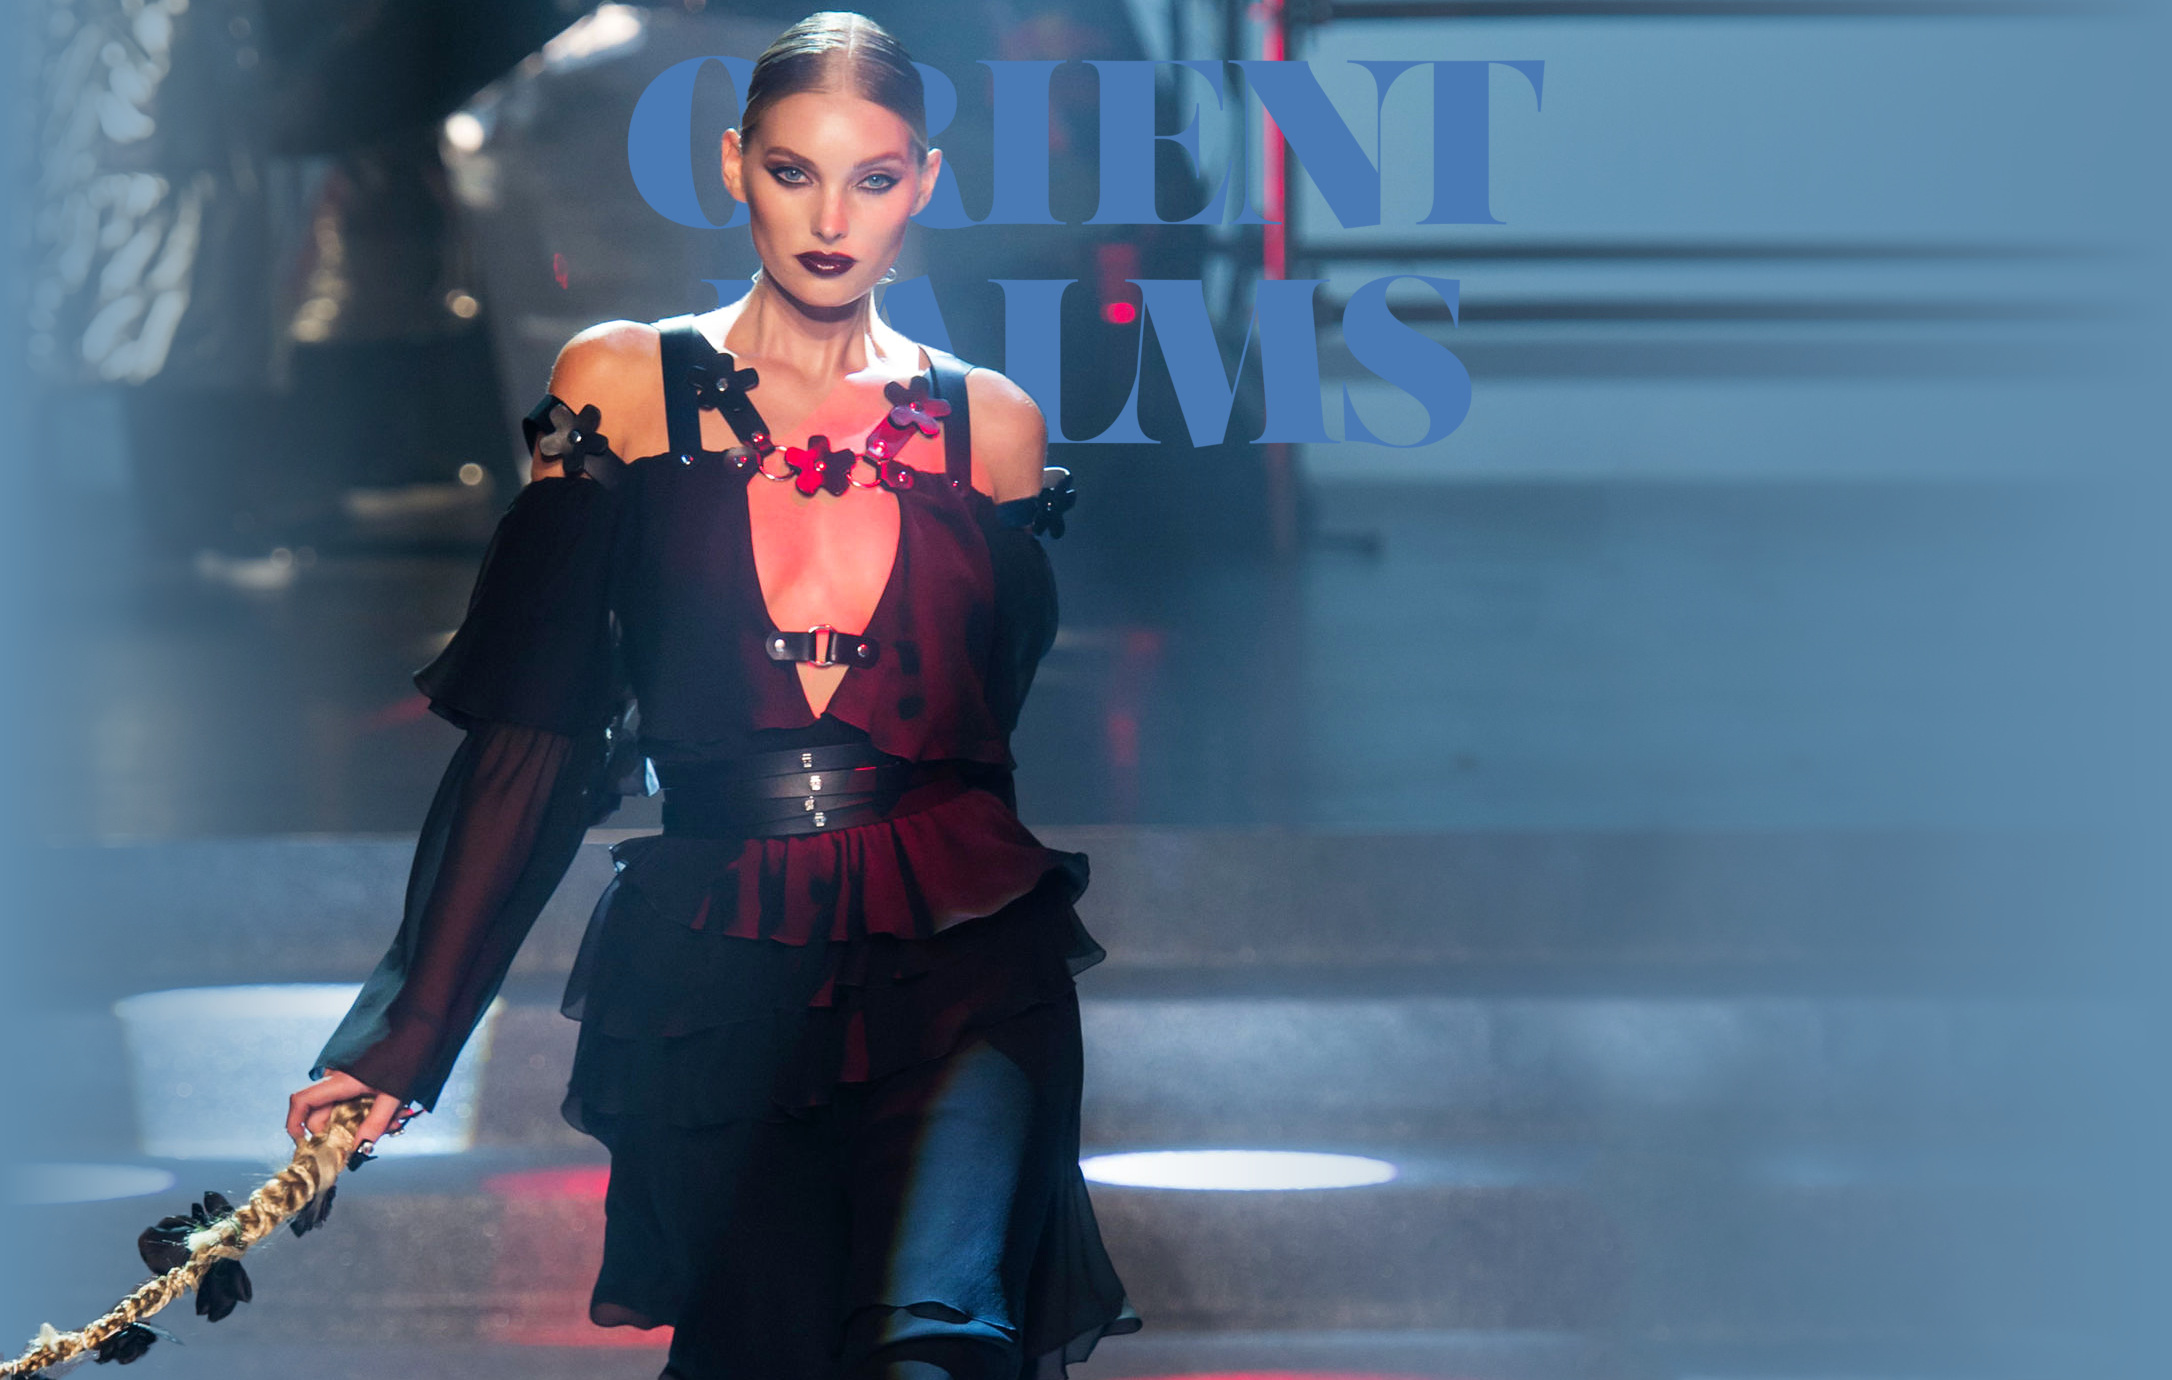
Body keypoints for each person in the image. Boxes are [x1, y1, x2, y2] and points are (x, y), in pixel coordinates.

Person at [279, 13, 1138, 1378]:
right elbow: (537, 737)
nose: (831, 219)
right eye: (795, 172)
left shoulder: (995, 425)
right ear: (736, 165)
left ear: (924, 182)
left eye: (873, 177)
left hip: (966, 961)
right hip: (716, 962)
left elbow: (985, 727)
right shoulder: (619, 384)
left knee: (938, 1345)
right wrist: (409, 1034)